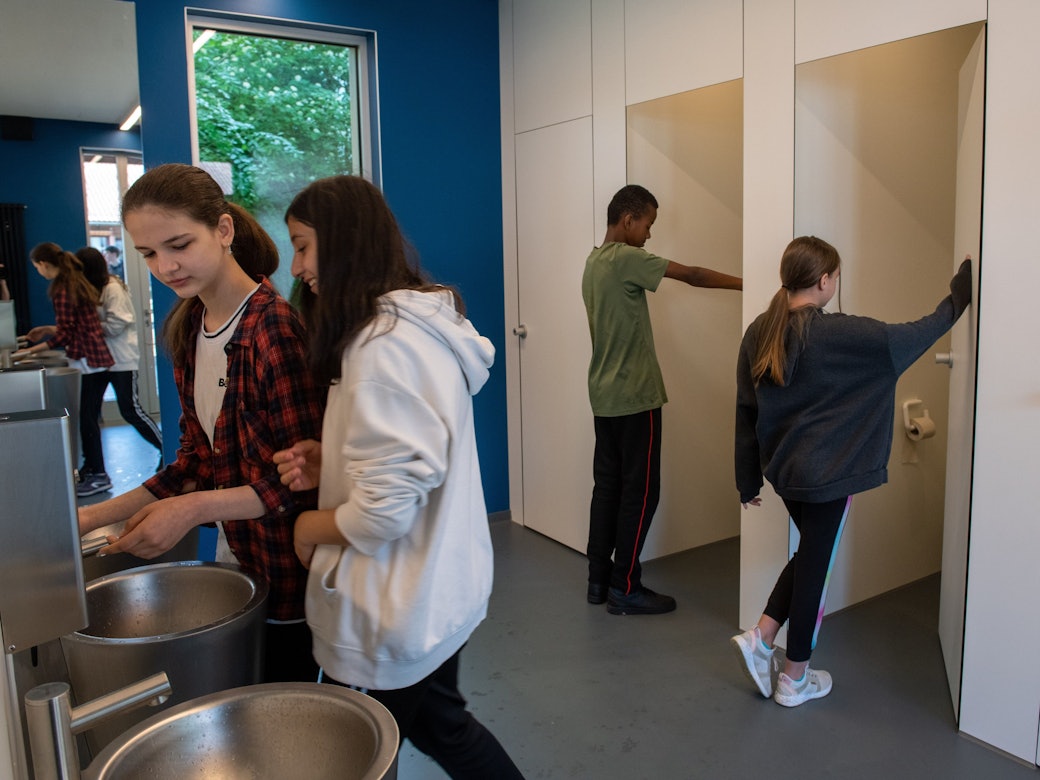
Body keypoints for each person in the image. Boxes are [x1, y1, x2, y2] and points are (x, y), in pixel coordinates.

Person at [273, 175, 525, 779]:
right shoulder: (415, 328)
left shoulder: (379, 349)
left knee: (366, 748)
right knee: (441, 726)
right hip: (436, 583)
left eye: (304, 245)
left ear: (344, 242)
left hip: (402, 599)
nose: (298, 265)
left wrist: (306, 526)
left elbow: (385, 513)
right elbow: (413, 454)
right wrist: (333, 457)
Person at [78, 163, 325, 684]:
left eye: (179, 244)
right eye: (147, 254)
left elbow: (298, 485)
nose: (165, 266)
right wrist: (90, 517)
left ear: (224, 230)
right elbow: (195, 461)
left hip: (285, 576)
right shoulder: (191, 325)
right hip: (235, 559)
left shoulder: (273, 328)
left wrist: (189, 509)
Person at [731, 236, 972, 707]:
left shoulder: (758, 331)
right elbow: (924, 330)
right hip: (828, 477)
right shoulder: (845, 334)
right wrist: (961, 287)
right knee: (815, 570)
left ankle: (761, 638)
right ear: (824, 281)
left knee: (809, 557)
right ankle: (794, 679)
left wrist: (747, 478)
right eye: (835, 278)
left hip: (785, 473)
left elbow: (745, 410)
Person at [583, 184, 742, 615]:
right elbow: (693, 275)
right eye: (648, 225)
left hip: (604, 395)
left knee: (609, 487)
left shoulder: (593, 262)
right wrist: (749, 284)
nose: (649, 235)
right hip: (636, 396)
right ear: (628, 218)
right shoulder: (627, 258)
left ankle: (599, 580)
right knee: (642, 492)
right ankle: (626, 586)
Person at [22, 242, 115, 496]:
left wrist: (30, 351)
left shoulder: (63, 289)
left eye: (37, 267)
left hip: (89, 362)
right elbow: (74, 326)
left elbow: (66, 333)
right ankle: (92, 468)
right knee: (87, 418)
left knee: (87, 420)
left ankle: (98, 474)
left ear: (43, 265)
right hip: (94, 359)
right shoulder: (73, 283)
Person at [77, 246, 164, 468]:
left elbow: (117, 324)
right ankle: (93, 467)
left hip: (121, 360)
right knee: (88, 413)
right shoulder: (94, 289)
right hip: (99, 361)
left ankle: (168, 448)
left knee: (130, 410)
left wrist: (88, 326)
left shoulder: (113, 288)